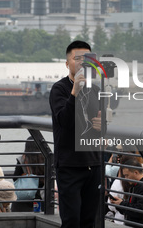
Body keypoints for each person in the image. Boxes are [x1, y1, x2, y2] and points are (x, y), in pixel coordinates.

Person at [49, 40, 102, 228]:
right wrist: (74, 92)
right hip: (70, 165)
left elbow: (98, 127)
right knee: (71, 221)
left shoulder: (95, 90)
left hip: (93, 163)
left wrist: (101, 125)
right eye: (77, 58)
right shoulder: (60, 89)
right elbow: (64, 121)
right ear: (67, 63)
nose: (82, 63)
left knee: (89, 221)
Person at [110, 158, 143, 227]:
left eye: (127, 175)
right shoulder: (136, 184)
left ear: (136, 172)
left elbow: (140, 211)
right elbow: (133, 206)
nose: (126, 178)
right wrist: (119, 204)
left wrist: (121, 203)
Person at [11, 136, 45, 212]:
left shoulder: (23, 160)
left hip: (25, 196)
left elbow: (15, 177)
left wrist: (25, 175)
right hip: (41, 196)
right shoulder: (45, 159)